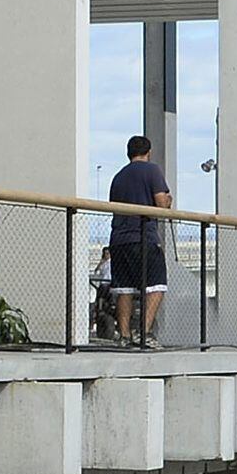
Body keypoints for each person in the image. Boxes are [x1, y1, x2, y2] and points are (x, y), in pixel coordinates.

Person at [104, 135, 173, 349]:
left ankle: (124, 335)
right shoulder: (152, 171)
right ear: (148, 152)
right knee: (156, 285)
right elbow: (161, 204)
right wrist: (168, 201)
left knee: (124, 288)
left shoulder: (118, 177)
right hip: (143, 237)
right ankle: (144, 333)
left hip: (119, 238)